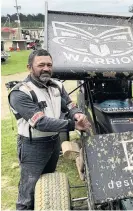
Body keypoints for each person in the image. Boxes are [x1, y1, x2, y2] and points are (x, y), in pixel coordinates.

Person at [8, 49, 91, 210]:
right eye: (41, 65)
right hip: (32, 146)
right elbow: (41, 123)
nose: (46, 68)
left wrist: (77, 115)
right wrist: (72, 125)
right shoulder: (20, 93)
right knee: (28, 191)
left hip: (53, 143)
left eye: (49, 65)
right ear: (29, 67)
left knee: (47, 181)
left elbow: (69, 106)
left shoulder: (57, 86)